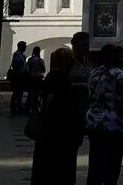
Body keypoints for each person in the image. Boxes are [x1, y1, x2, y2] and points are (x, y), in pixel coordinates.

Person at [30, 48, 84, 185]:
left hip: (46, 136)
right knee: (61, 173)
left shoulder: (49, 77)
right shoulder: (62, 80)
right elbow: (66, 108)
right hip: (60, 136)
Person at [86, 43, 123, 185]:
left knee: (95, 161)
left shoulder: (94, 72)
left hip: (94, 121)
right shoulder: (118, 73)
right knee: (112, 162)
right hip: (112, 121)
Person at [9, 40, 28, 114]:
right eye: (24, 47)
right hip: (18, 77)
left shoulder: (20, 55)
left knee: (19, 92)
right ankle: (14, 108)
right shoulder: (17, 54)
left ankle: (18, 107)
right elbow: (18, 65)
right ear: (21, 47)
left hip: (20, 76)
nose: (25, 48)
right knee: (17, 92)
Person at [26, 46, 46, 114]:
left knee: (30, 93)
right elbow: (44, 70)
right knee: (37, 93)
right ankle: (35, 107)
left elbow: (27, 69)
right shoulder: (41, 60)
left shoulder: (30, 60)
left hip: (31, 78)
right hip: (38, 78)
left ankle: (28, 107)